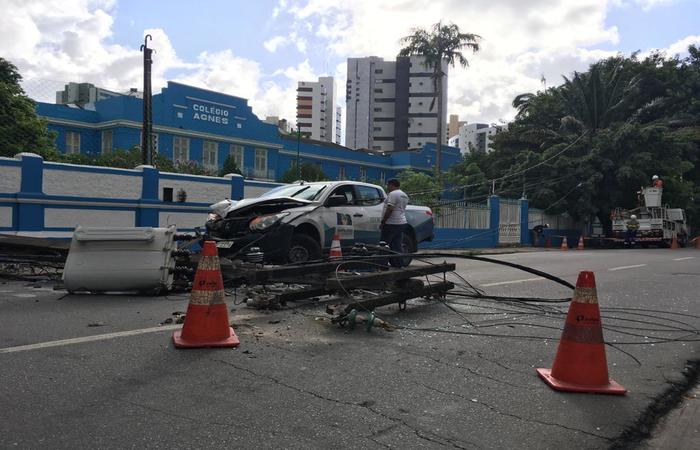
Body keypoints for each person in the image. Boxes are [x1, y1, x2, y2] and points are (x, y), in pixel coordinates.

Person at [380, 178, 409, 267]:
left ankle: (382, 265)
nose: (387, 187)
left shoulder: (393, 194)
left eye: (388, 185)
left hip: (392, 223)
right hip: (402, 223)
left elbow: (390, 209)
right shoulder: (404, 195)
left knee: (384, 245)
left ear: (392, 185)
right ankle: (399, 265)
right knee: (397, 245)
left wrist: (383, 222)